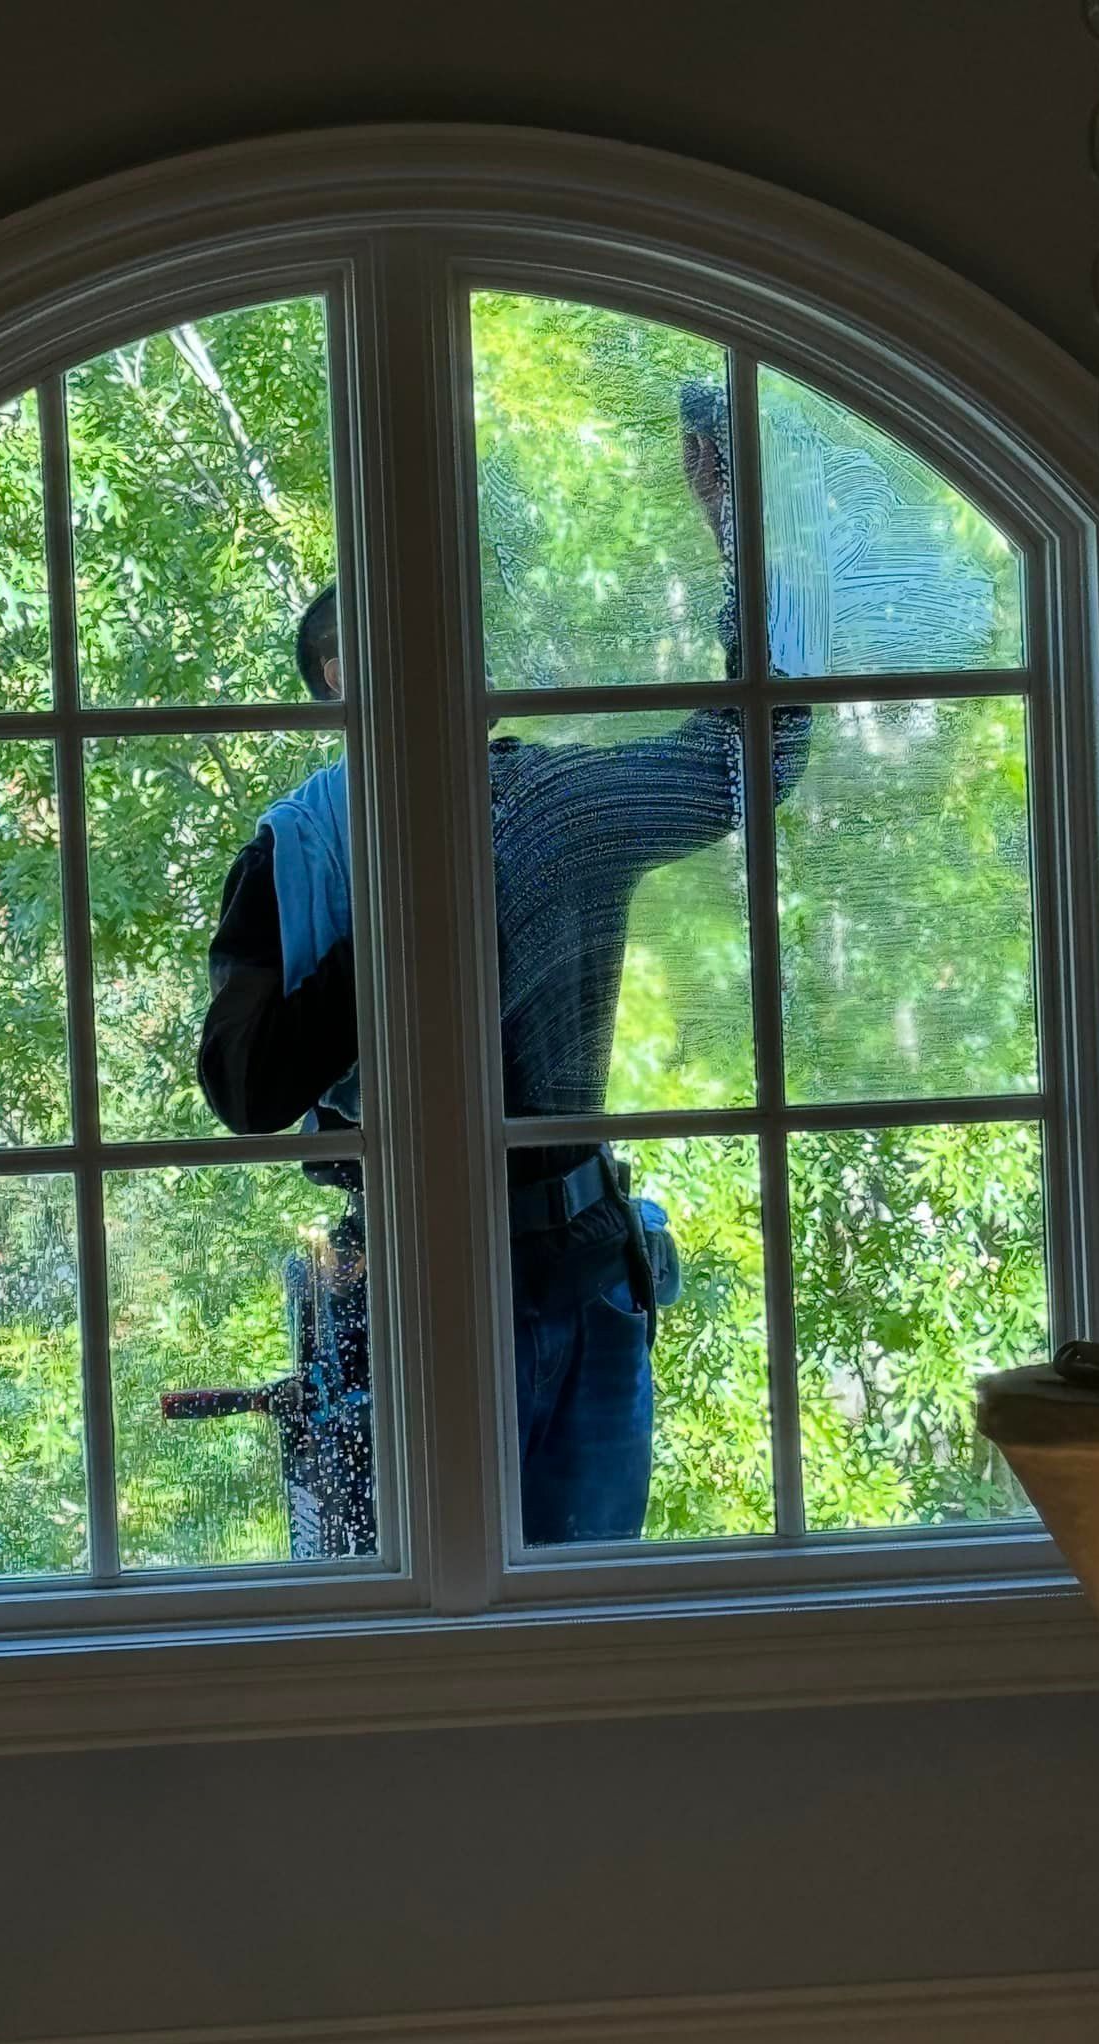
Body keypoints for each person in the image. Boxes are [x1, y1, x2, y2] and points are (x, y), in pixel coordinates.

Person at [198, 394, 809, 1547]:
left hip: (577, 1275)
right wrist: (409, 900)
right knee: (402, 1642)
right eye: (357, 676)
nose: (394, 696)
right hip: (399, 1294)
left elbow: (750, 758)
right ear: (329, 696)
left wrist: (744, 535)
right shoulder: (303, 850)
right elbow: (246, 1085)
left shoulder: (549, 809)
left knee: (586, 1630)